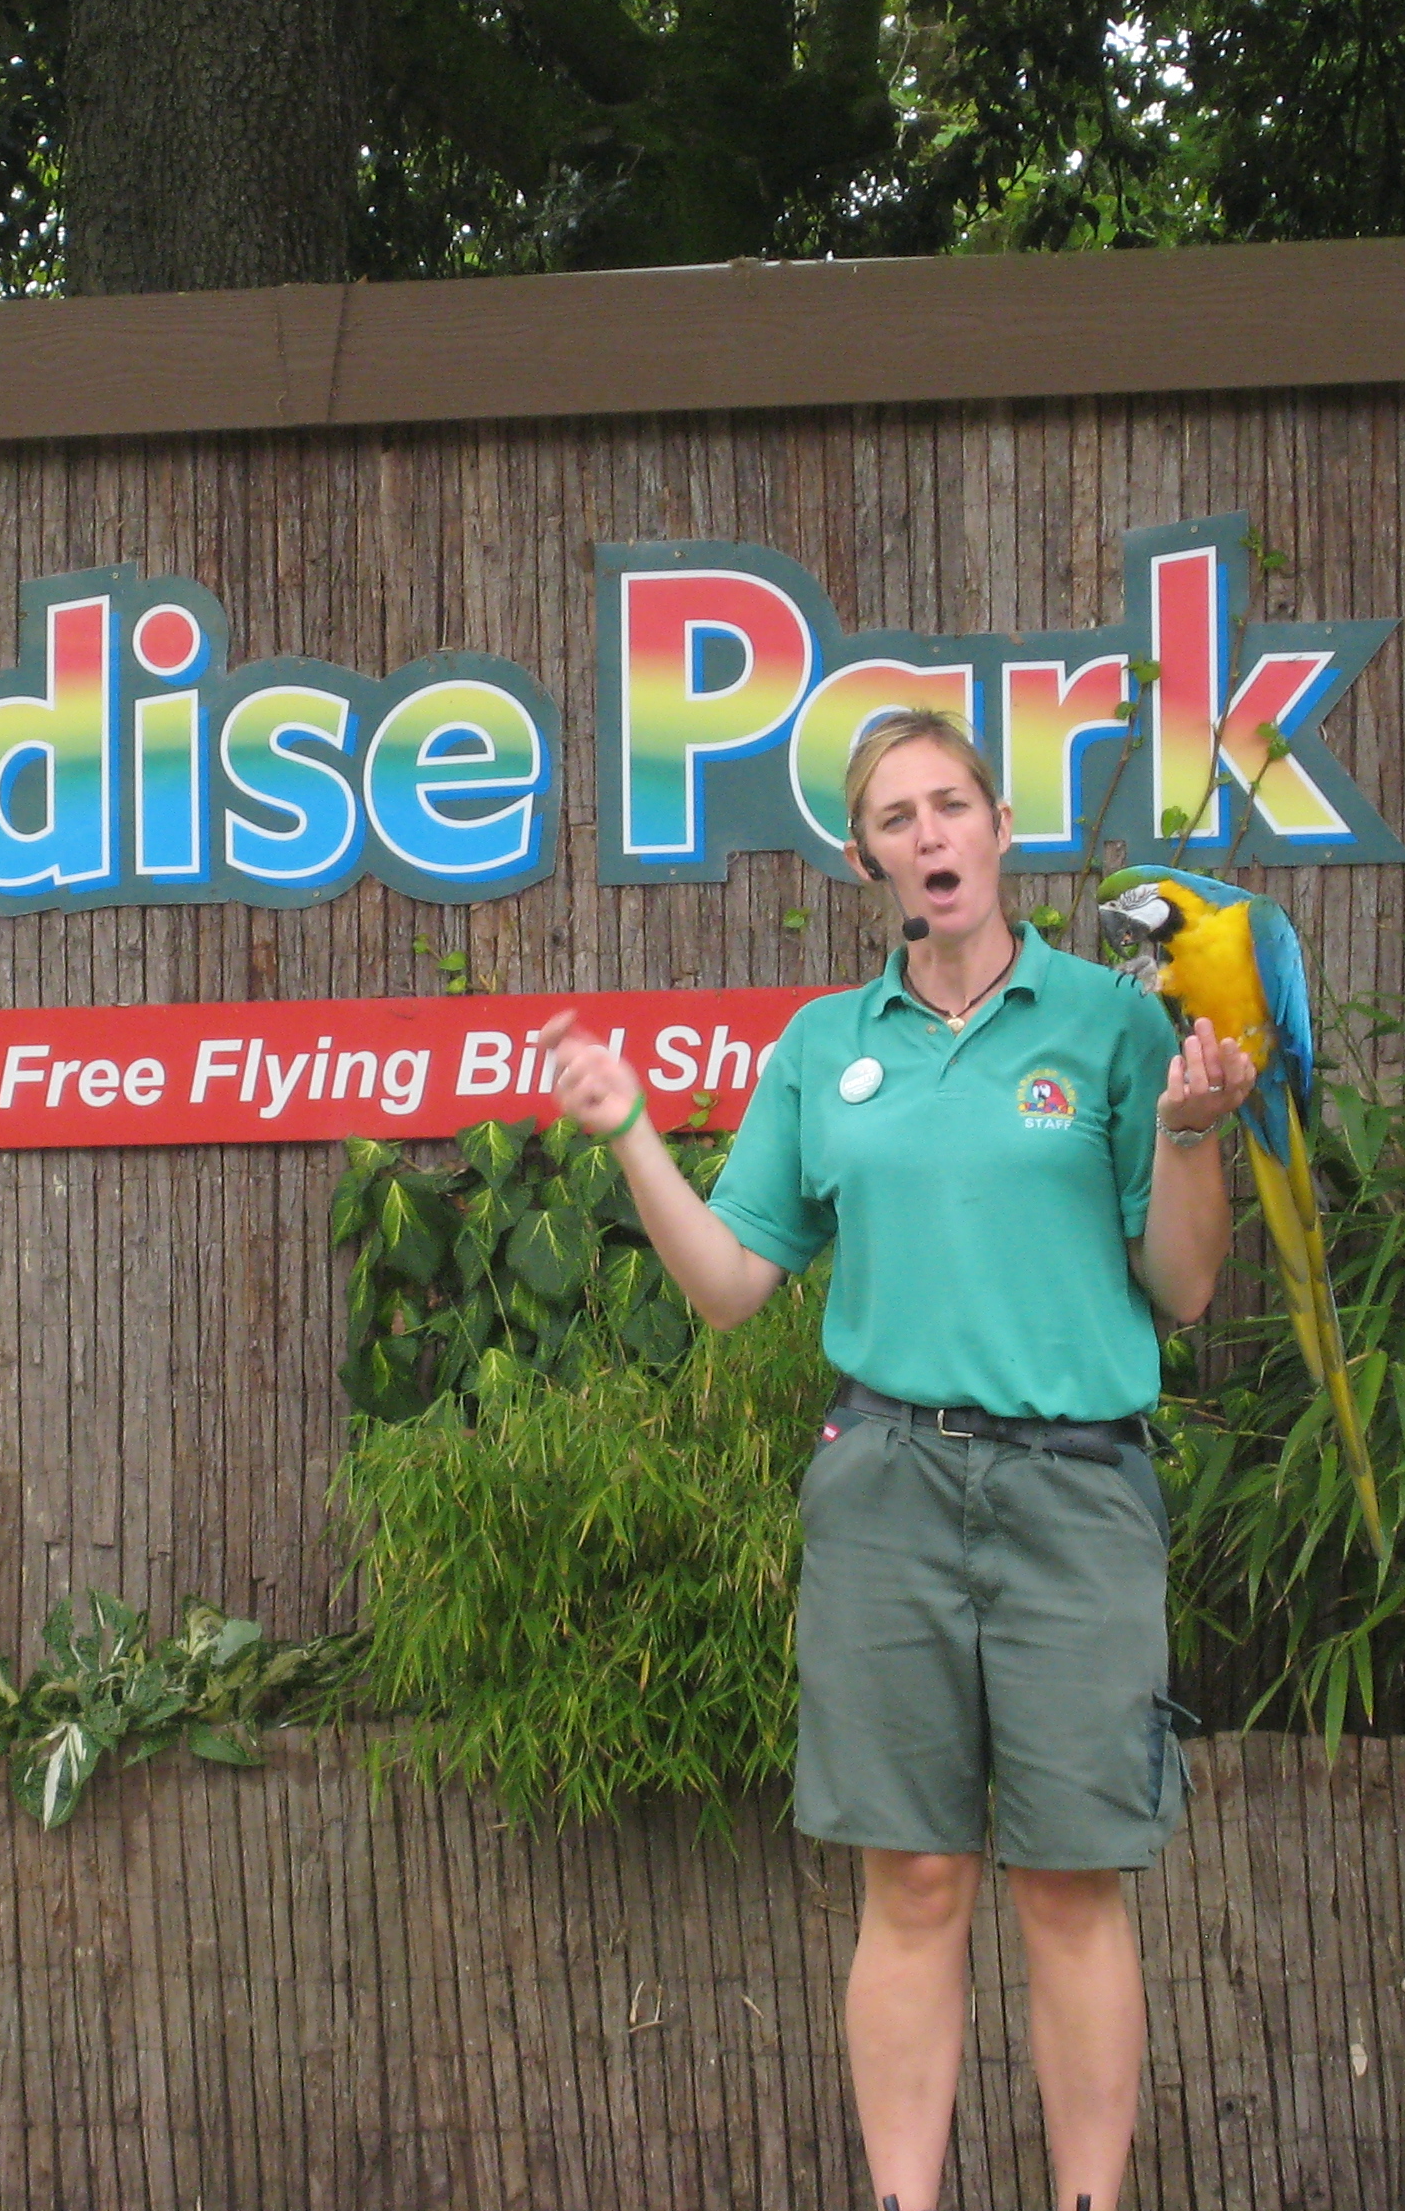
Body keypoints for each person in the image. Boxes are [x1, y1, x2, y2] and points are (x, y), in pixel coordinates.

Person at [533, 709, 1252, 2211]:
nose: (931, 835)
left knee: (1069, 1883)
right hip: (886, 1488)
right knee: (913, 1879)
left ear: (999, 829)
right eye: (896, 817)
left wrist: (1192, 1136)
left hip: (1076, 1490)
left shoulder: (1116, 1026)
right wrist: (631, 1133)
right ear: (865, 860)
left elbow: (1184, 1290)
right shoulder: (825, 1046)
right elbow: (732, 1287)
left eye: (951, 805)